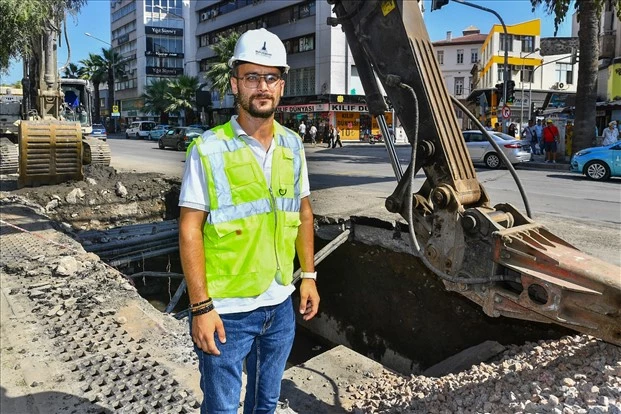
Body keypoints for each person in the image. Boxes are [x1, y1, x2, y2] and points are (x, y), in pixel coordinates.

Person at [178, 28, 320, 414]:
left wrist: (308, 276)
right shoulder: (207, 149)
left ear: (282, 84)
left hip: (279, 304)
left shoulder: (292, 144)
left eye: (271, 77)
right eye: (252, 76)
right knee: (222, 408)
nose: (262, 86)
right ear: (234, 83)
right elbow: (189, 228)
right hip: (226, 312)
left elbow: (303, 212)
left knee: (266, 403)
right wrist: (200, 307)